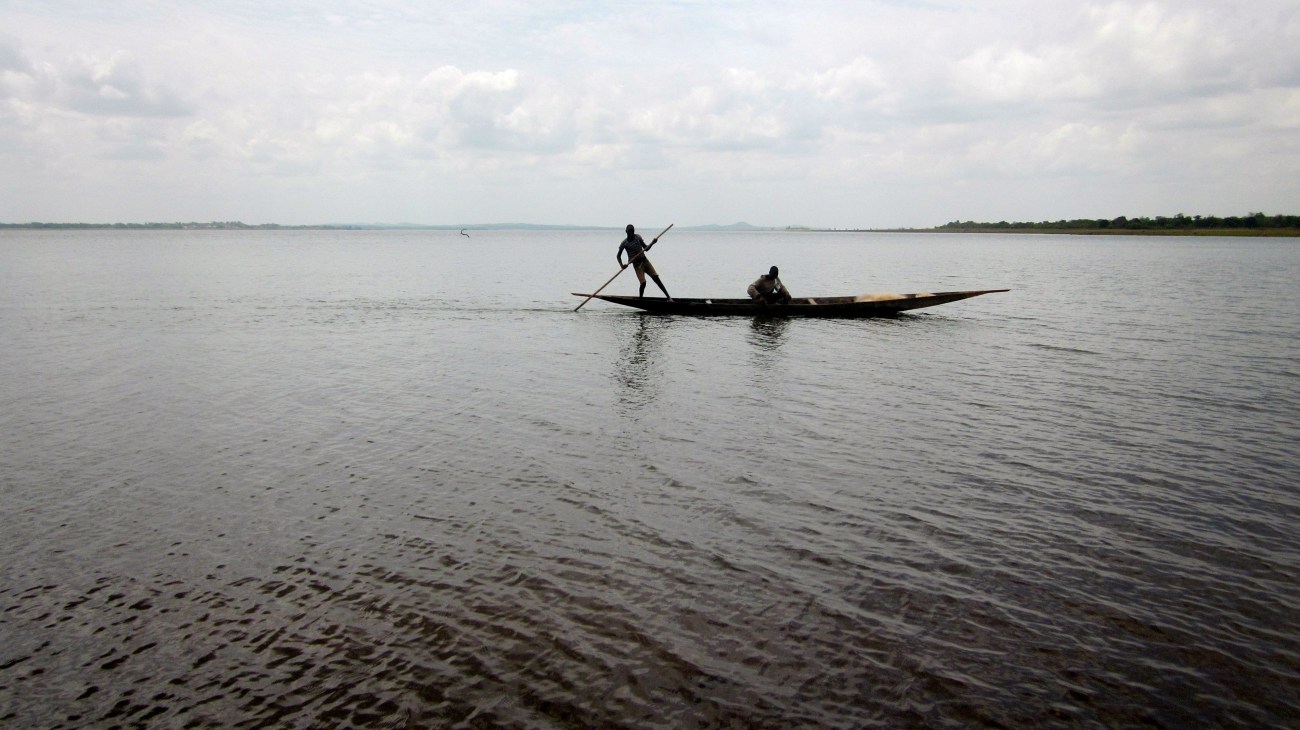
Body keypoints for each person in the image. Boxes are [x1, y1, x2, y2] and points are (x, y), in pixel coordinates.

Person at [617, 224, 672, 299]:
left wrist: (652, 243)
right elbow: (618, 256)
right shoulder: (624, 243)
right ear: (626, 231)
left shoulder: (638, 237)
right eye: (629, 231)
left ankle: (668, 297)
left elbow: (646, 249)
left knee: (656, 278)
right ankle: (641, 299)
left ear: (634, 231)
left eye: (632, 231)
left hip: (645, 261)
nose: (630, 232)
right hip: (637, 265)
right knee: (643, 283)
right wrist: (622, 265)